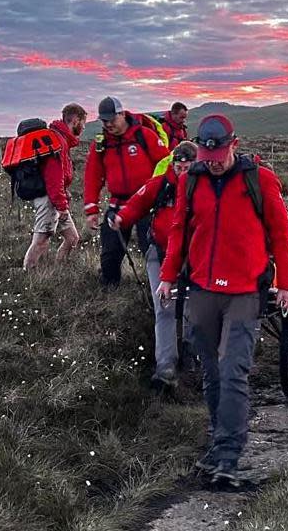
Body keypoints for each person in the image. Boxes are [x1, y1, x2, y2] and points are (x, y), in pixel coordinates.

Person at [156, 115, 288, 488]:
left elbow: (281, 235)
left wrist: (286, 283)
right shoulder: (191, 180)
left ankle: (229, 455)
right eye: (206, 153)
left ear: (234, 145)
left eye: (218, 153)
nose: (213, 161)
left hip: (244, 292)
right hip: (202, 288)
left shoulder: (259, 180)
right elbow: (178, 232)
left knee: (233, 370)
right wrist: (168, 275)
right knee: (212, 373)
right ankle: (220, 442)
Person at [111, 141, 198, 389]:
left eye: (187, 167)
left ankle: (191, 352)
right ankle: (166, 367)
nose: (182, 171)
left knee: (195, 306)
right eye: (178, 166)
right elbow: (138, 203)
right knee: (165, 308)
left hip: (196, 258)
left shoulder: (205, 188)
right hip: (160, 254)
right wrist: (121, 218)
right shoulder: (161, 184)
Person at [84, 96, 171, 287]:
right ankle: (110, 287)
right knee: (110, 252)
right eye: (104, 121)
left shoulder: (144, 135)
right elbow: (93, 175)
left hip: (147, 205)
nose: (108, 124)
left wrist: (163, 195)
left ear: (122, 114)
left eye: (111, 120)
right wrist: (91, 208)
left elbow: (166, 164)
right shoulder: (101, 144)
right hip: (117, 205)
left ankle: (158, 288)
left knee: (151, 249)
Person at [23, 103, 87, 270]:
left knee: (72, 238)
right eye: (83, 122)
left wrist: (63, 197)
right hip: (49, 199)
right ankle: (26, 276)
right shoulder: (57, 141)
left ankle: (59, 270)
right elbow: (54, 179)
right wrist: (62, 207)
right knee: (41, 240)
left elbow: (59, 178)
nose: (84, 127)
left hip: (56, 198)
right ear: (75, 121)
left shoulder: (61, 140)